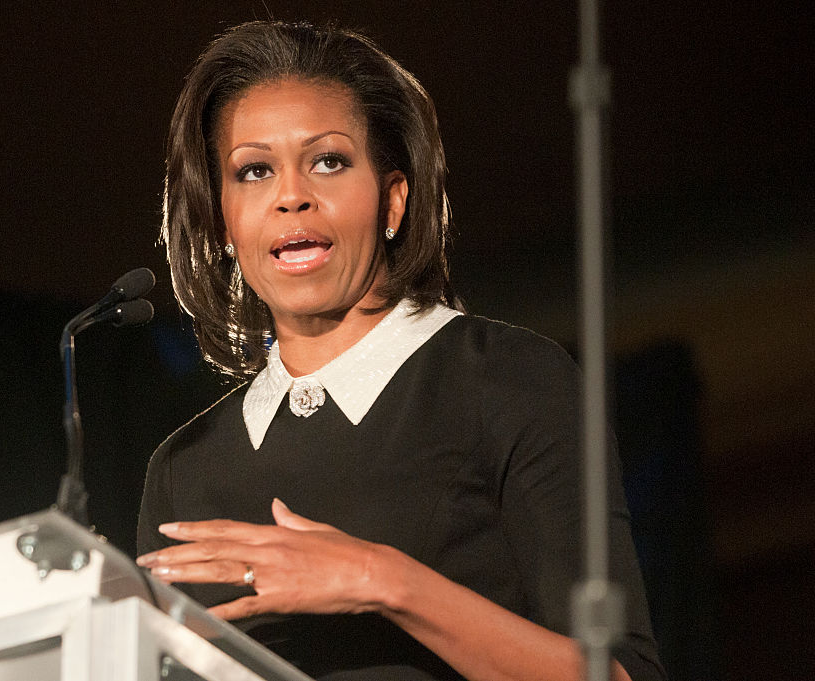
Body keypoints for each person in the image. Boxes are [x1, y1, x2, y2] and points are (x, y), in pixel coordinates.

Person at [136, 20, 664, 681]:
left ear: (392, 200)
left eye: (328, 160)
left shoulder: (506, 379)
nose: (290, 195)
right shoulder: (184, 470)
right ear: (221, 223)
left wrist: (378, 578)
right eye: (254, 170)